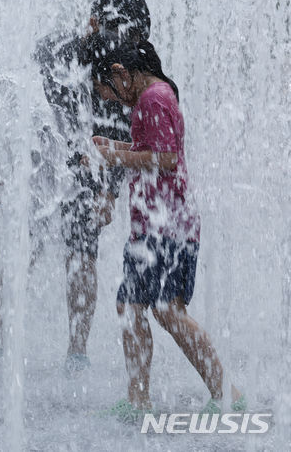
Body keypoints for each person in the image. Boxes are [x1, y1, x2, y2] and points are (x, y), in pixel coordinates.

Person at [89, 38, 244, 421]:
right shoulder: (154, 97)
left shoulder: (152, 98)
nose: (110, 100)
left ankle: (223, 392)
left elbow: (167, 158)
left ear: (121, 73)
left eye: (108, 91)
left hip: (167, 226)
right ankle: (142, 398)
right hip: (158, 225)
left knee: (164, 310)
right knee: (141, 306)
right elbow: (152, 149)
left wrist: (114, 155)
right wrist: (116, 144)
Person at [33, 0, 151, 376]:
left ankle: (76, 350)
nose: (126, 44)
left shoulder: (125, 70)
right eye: (121, 32)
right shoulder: (63, 51)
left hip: (92, 167)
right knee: (26, 247)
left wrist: (109, 191)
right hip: (45, 161)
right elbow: (43, 83)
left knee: (82, 251)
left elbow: (123, 130)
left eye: (134, 36)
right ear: (94, 23)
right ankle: (2, 342)